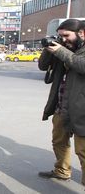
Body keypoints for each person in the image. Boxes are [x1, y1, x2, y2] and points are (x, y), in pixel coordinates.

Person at [38, 19, 85, 184]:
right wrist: (49, 48)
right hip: (61, 107)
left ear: (82, 33)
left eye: (66, 36)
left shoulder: (68, 52)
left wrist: (61, 51)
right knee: (59, 142)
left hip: (81, 111)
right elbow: (43, 66)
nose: (63, 40)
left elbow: (82, 65)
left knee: (83, 151)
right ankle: (62, 171)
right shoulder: (63, 48)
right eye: (60, 36)